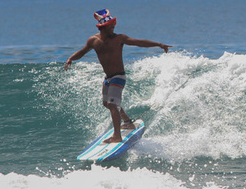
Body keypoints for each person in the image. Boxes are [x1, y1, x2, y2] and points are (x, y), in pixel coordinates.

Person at [64, 9, 171, 143]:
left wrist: (159, 44)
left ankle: (117, 136)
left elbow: (139, 42)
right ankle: (126, 121)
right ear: (103, 27)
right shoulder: (93, 41)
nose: (114, 28)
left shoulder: (119, 38)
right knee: (106, 104)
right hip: (108, 78)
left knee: (113, 105)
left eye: (114, 25)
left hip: (118, 76)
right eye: (111, 26)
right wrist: (71, 58)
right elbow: (82, 52)